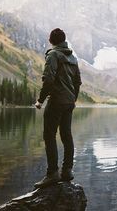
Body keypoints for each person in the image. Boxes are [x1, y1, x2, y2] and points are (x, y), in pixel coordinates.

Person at [34, 28, 82, 189]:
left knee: (49, 135)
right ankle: (67, 171)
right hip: (69, 102)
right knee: (66, 135)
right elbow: (78, 83)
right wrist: (72, 100)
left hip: (56, 101)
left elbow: (48, 79)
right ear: (64, 40)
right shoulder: (73, 57)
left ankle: (52, 174)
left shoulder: (53, 55)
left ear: (51, 41)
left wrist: (40, 100)